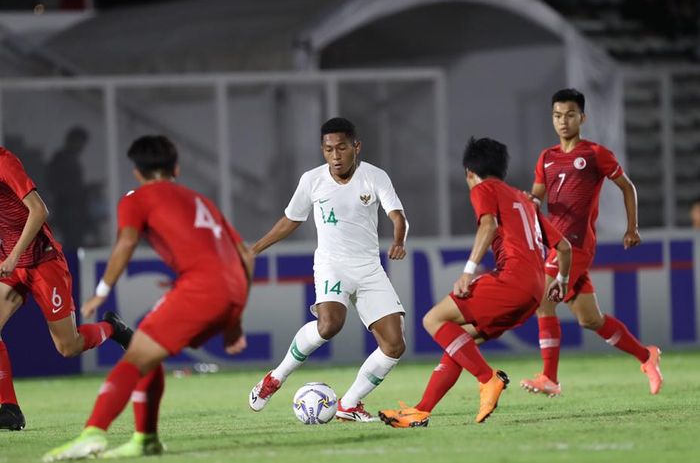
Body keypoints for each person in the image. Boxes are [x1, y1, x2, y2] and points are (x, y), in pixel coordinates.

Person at [43, 136, 254, 461]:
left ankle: (93, 433)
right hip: (233, 287)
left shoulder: (136, 199)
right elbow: (246, 255)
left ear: (137, 172)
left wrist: (100, 292)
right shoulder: (201, 199)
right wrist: (235, 319)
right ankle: (146, 439)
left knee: (134, 359)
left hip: (200, 288)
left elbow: (126, 243)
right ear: (177, 168)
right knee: (146, 350)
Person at [378, 137, 572, 427]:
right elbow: (565, 246)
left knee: (434, 320)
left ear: (469, 172)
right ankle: (421, 410)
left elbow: (489, 224)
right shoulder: (523, 199)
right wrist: (562, 280)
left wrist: (468, 271)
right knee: (459, 342)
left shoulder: (483, 188)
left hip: (511, 281)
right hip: (534, 291)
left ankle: (488, 379)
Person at [248, 117, 408, 422]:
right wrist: (254, 249)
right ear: (323, 150)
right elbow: (291, 219)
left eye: (342, 148)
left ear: (356, 147)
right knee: (329, 325)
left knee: (394, 345)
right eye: (329, 149)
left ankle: (348, 404)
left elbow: (398, 216)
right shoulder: (312, 180)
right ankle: (274, 379)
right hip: (331, 265)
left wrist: (399, 240)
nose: (335, 156)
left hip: (369, 269)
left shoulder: (374, 177)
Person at [520, 88, 663, 397]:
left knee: (543, 303)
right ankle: (646, 356)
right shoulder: (546, 157)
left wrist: (632, 228)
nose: (563, 121)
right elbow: (537, 198)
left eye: (570, 115)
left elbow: (627, 187)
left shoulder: (595, 154)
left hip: (576, 244)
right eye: (557, 115)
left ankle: (550, 378)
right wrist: (528, 201)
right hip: (557, 245)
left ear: (582, 117)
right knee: (590, 319)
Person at [0, 146, 132, 431]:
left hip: (43, 262)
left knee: (68, 347)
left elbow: (39, 210)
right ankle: (9, 409)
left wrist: (12, 257)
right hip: (12, 267)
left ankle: (112, 328)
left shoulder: (4, 162)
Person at [46, 127, 94, 249]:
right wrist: (85, 191)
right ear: (71, 141)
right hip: (68, 213)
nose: (81, 147)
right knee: (71, 247)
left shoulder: (71, 160)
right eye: (79, 143)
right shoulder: (61, 161)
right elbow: (59, 188)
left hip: (74, 213)